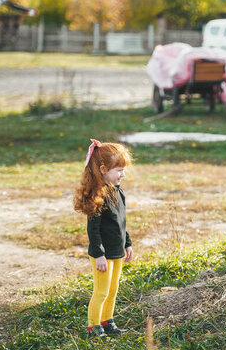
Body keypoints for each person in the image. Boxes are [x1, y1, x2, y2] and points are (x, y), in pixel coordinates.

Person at [73, 139, 134, 340]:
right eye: (118, 170)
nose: (122, 174)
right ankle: (94, 328)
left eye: (123, 169)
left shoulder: (119, 192)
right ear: (103, 169)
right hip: (103, 255)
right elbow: (94, 230)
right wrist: (98, 254)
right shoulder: (98, 196)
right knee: (101, 292)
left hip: (117, 252)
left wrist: (128, 243)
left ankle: (108, 322)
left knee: (113, 290)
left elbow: (122, 222)